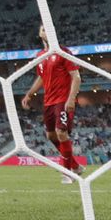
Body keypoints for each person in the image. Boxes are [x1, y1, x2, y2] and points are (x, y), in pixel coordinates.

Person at [21, 25, 85, 183]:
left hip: (63, 99)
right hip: (48, 101)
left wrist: (71, 99)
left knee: (61, 132)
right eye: (43, 29)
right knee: (51, 135)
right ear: (39, 33)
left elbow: (76, 77)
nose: (46, 31)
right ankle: (75, 166)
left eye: (48, 28)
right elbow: (42, 78)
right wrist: (29, 94)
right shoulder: (41, 55)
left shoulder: (63, 52)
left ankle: (67, 172)